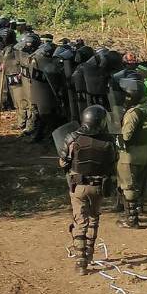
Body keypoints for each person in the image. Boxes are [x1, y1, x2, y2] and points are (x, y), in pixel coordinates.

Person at [60, 105, 116, 276]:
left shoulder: (72, 138)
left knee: (80, 222)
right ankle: (90, 255)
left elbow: (63, 163)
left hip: (78, 187)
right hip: (99, 187)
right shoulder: (108, 141)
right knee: (93, 219)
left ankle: (80, 262)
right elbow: (112, 165)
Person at [116, 75, 147, 228]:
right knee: (139, 184)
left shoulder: (134, 113)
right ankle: (137, 212)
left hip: (130, 155)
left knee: (128, 186)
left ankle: (131, 219)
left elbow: (125, 137)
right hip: (146, 152)